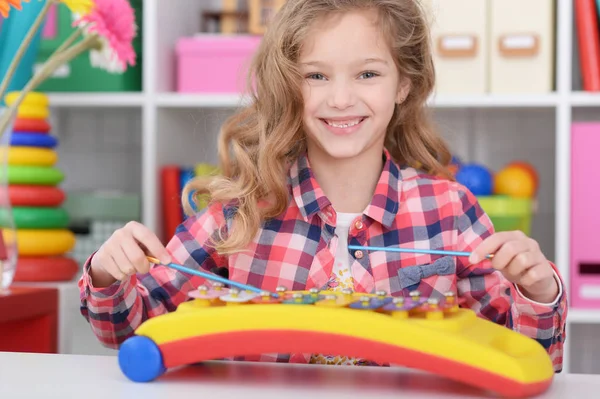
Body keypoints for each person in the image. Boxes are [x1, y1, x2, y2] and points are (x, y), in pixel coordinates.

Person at [79, 0, 566, 370]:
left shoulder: (449, 209)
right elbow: (129, 333)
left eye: (368, 74)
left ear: (403, 84)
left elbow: (527, 360)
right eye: (316, 75)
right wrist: (107, 273)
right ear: (290, 85)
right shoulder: (241, 210)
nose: (340, 98)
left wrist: (539, 291)